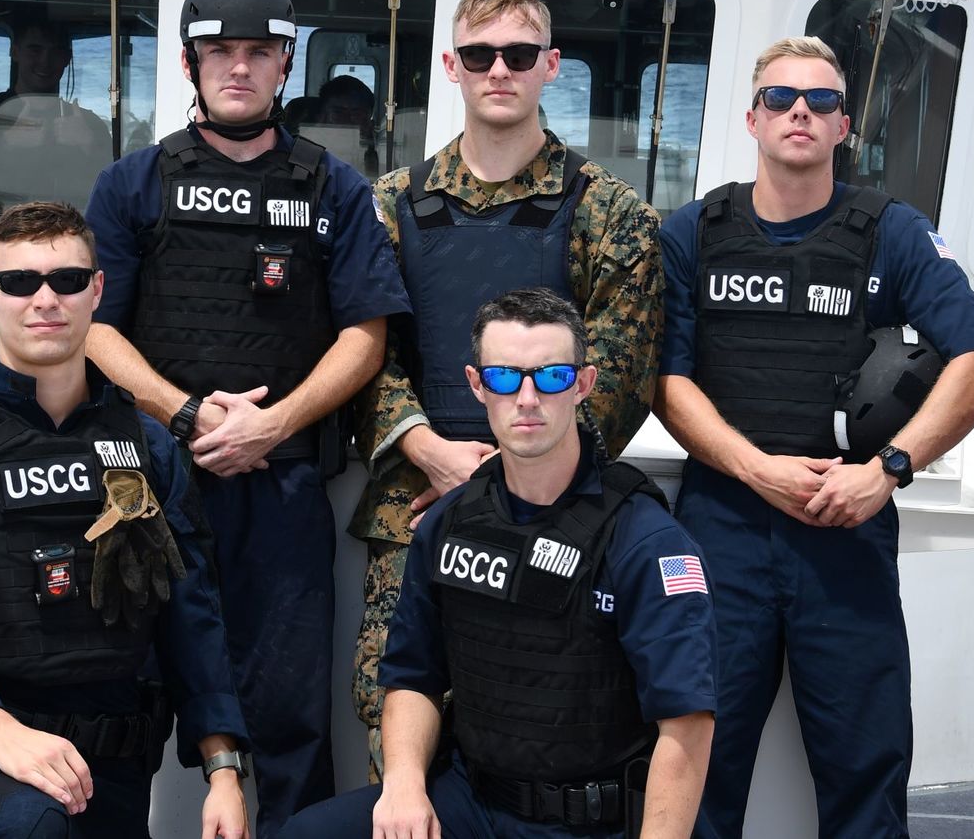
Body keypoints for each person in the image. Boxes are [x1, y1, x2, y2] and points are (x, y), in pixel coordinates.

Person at [83, 0, 411, 836]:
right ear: (190, 62)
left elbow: (364, 334)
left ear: (284, 64)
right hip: (146, 480)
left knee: (292, 708)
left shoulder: (333, 188)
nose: (239, 67)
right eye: (220, 51)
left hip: (283, 478)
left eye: (257, 52)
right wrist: (186, 413)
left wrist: (275, 421)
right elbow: (95, 328)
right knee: (124, 690)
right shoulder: (132, 184)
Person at [655, 36, 974, 839]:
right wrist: (756, 470)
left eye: (819, 101)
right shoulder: (695, 233)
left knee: (865, 763)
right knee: (700, 760)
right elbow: (669, 384)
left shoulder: (891, 232)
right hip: (723, 530)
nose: (799, 113)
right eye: (780, 99)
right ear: (752, 117)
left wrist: (887, 470)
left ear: (846, 123)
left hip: (846, 527)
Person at [0, 201, 250, 838]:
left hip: (113, 763)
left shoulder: (148, 446)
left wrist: (224, 771)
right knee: (31, 825)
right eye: (20, 282)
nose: (46, 299)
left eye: (67, 280)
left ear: (96, 290)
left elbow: (193, 616)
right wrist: (1, 733)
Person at [350, 0, 662, 773]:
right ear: (452, 65)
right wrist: (426, 447)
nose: (500, 70)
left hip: (556, 525)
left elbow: (618, 375)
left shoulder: (608, 212)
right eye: (481, 54)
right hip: (417, 512)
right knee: (402, 738)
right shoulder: (388, 205)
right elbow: (363, 353)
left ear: (550, 64)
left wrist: (505, 476)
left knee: (540, 722)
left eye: (518, 54)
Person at [283, 287, 715, 839]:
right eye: (506, 378)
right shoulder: (450, 522)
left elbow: (686, 728)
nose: (528, 398)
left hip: (588, 821)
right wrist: (406, 787)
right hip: (471, 800)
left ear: (583, 385)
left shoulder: (646, 541)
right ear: (477, 386)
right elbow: (412, 675)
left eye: (552, 377)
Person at [0, 17, 113, 209]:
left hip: (67, 225)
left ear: (67, 58)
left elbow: (111, 191)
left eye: (56, 51)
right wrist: (2, 144)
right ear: (15, 52)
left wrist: (88, 145)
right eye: (35, 49)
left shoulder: (89, 124)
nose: (45, 61)